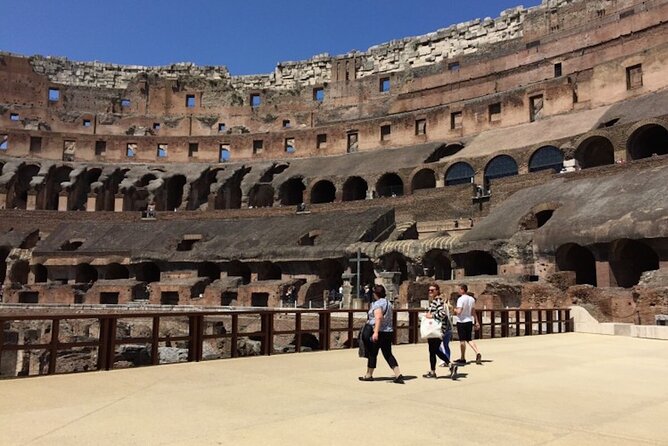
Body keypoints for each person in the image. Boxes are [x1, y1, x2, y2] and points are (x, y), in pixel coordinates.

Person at [359, 284, 404, 384]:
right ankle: (398, 374)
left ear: (375, 294)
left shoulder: (377, 304)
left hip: (379, 331)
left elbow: (379, 317)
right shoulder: (388, 303)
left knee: (372, 353)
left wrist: (375, 332)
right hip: (388, 331)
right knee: (388, 353)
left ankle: (369, 375)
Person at [422, 284, 457, 379]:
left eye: (432, 290)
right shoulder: (436, 301)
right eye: (429, 290)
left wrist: (431, 316)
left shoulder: (437, 300)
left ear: (437, 291)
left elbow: (442, 313)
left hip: (436, 330)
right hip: (436, 329)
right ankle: (435, 370)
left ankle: (449, 365)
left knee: (433, 350)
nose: (430, 292)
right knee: (434, 350)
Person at [454, 284, 482, 365]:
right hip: (469, 321)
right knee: (469, 339)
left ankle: (463, 358)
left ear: (463, 290)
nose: (458, 291)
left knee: (462, 340)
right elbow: (473, 311)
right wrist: (477, 322)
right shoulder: (472, 299)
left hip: (461, 321)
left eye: (459, 289)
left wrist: (454, 309)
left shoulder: (460, 299)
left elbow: (459, 312)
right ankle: (477, 352)